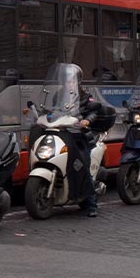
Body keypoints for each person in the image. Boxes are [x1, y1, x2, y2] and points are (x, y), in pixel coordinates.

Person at [57, 65, 100, 217]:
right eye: (67, 81)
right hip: (63, 134)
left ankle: (92, 204)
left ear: (78, 82)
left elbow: (94, 111)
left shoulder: (85, 96)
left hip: (80, 137)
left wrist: (87, 121)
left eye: (72, 81)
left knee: (82, 166)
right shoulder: (58, 96)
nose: (69, 84)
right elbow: (49, 110)